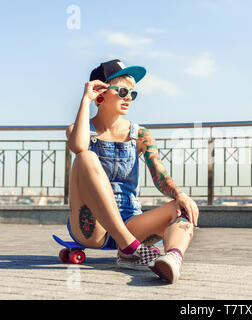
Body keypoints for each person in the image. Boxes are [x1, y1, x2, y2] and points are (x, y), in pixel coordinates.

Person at [65, 59, 199, 284]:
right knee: (86, 156)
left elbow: (158, 172)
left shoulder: (141, 135)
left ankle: (172, 259)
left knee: (182, 208)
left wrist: (180, 195)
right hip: (92, 226)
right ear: (100, 92)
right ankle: (128, 248)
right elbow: (79, 147)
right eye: (123, 91)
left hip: (131, 222)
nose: (129, 98)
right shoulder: (78, 130)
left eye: (133, 94)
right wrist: (85, 100)